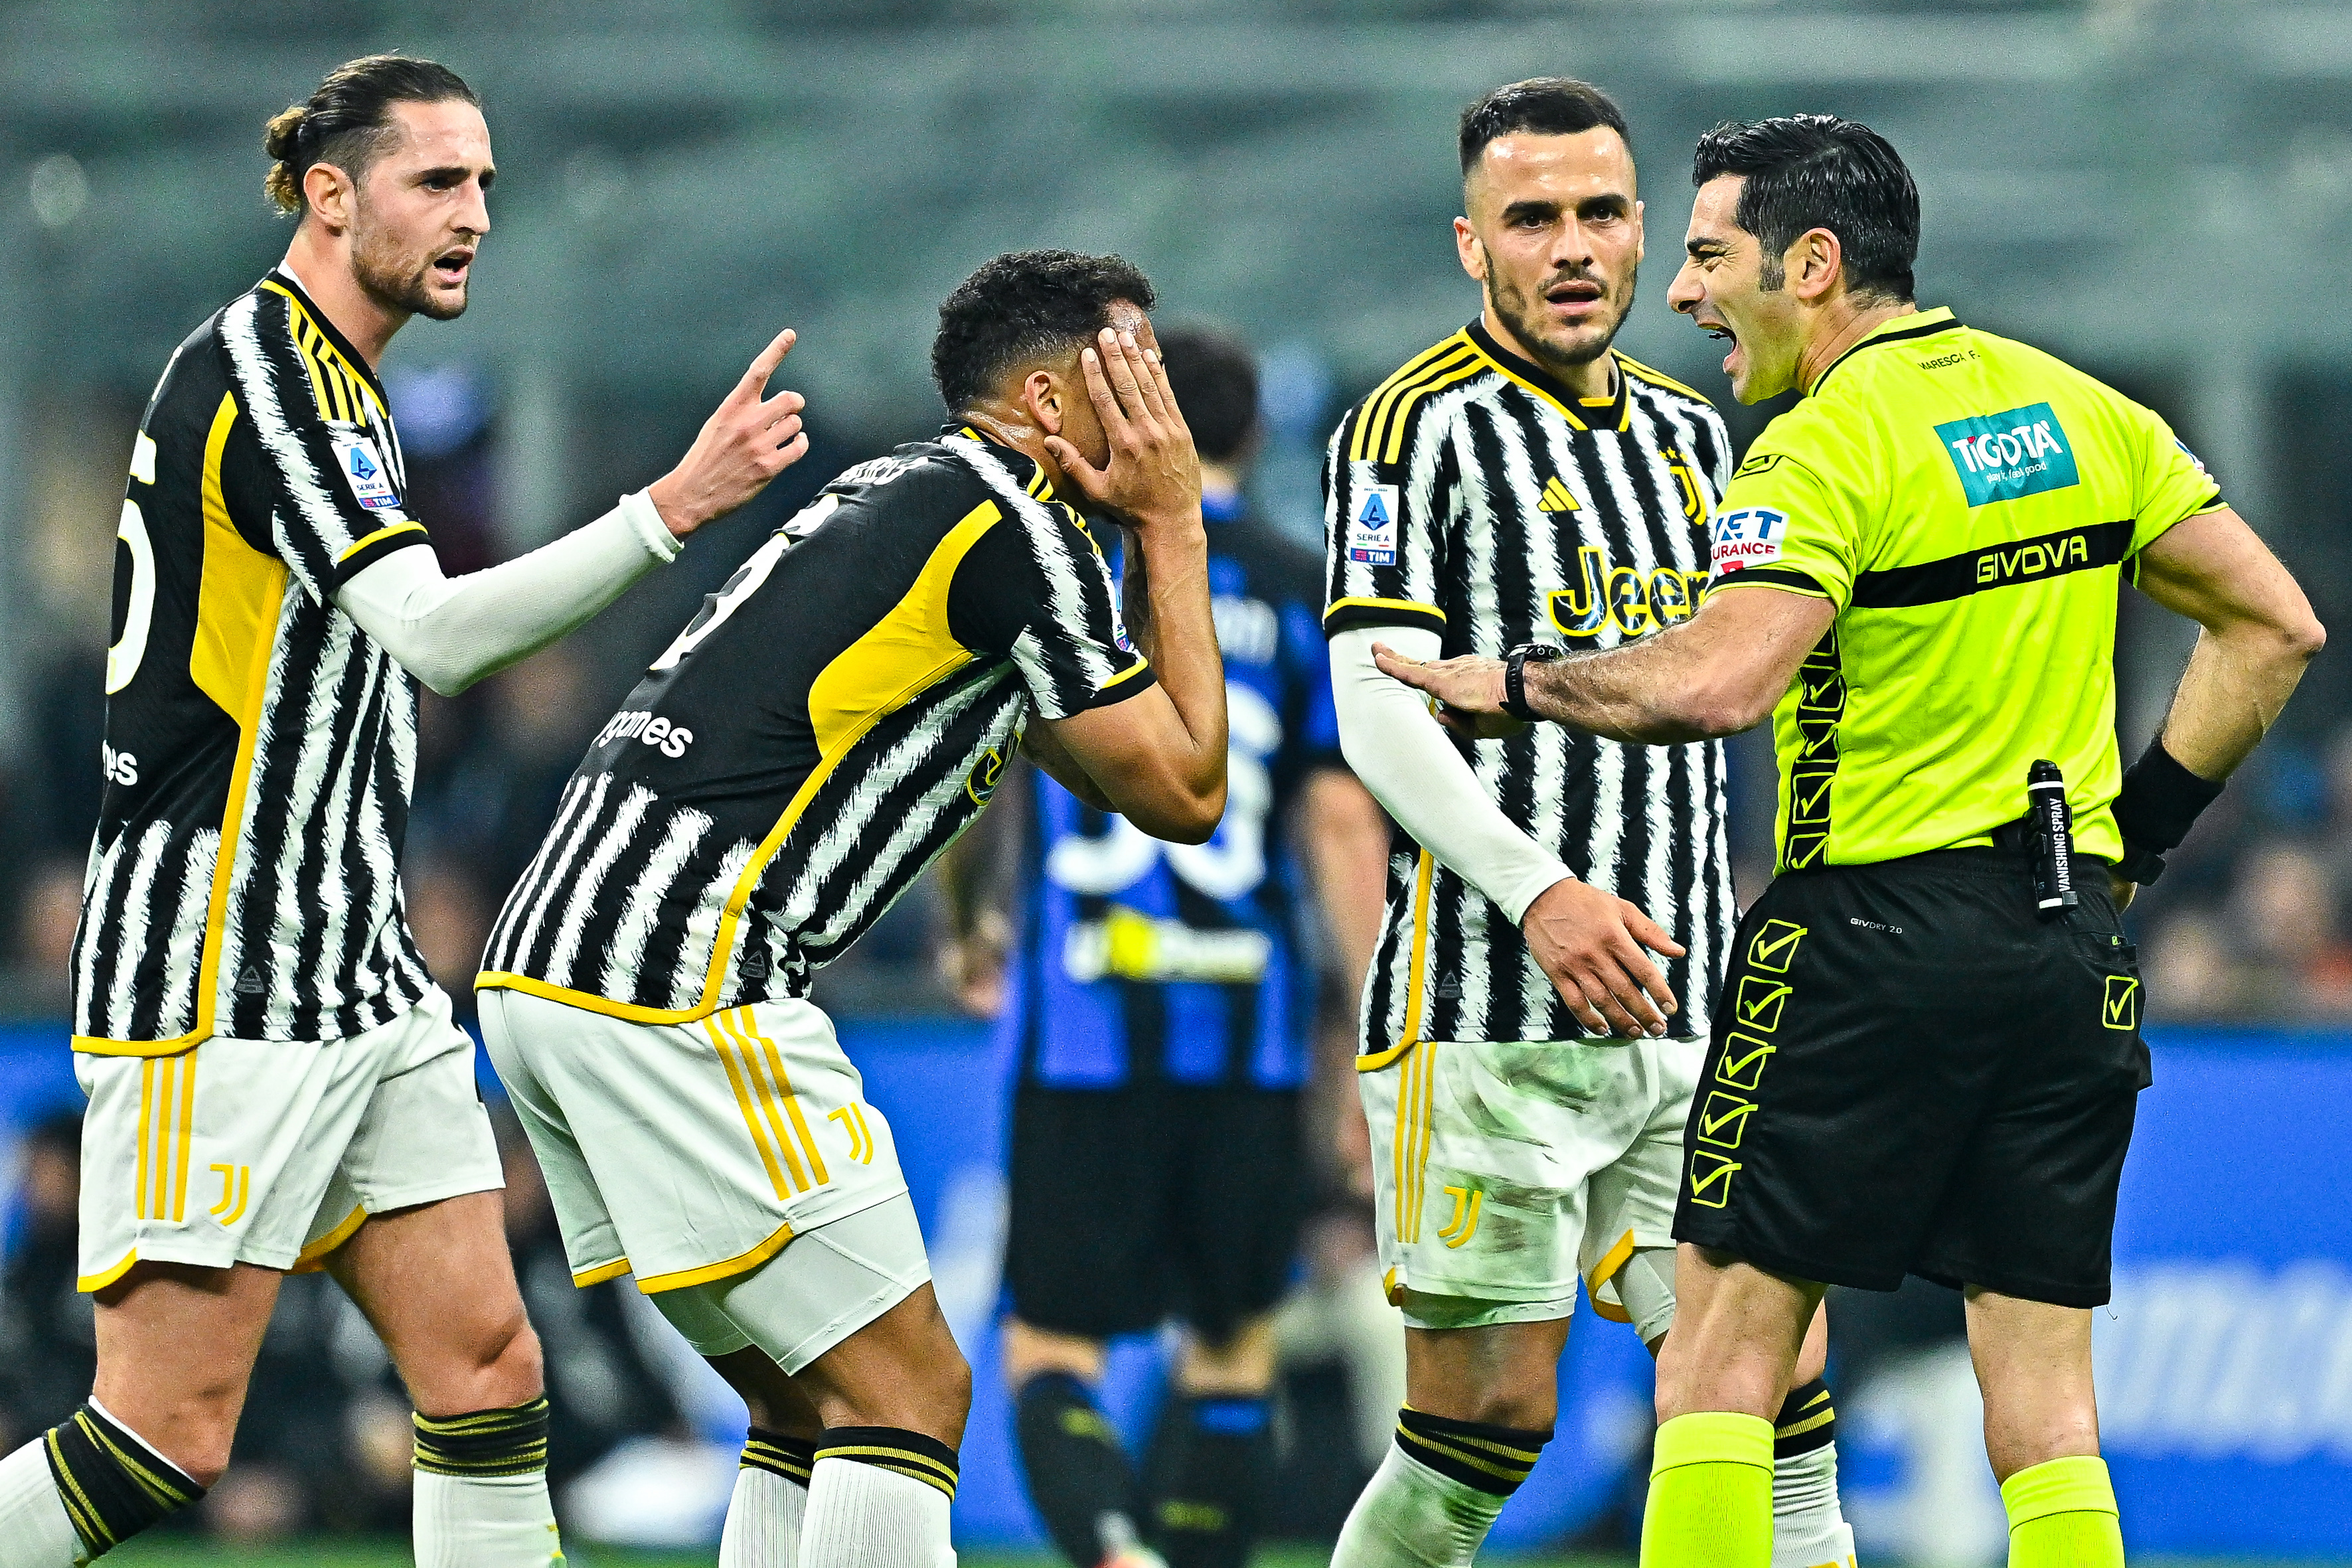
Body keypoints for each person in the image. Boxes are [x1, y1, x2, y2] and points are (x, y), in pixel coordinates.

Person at [1374, 114, 2327, 1568]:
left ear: (1809, 265)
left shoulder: (1819, 447)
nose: (1681, 292)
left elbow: (1715, 681)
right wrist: (2134, 840)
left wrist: (1510, 682)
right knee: (2047, 1412)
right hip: (2063, 946)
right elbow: (2272, 625)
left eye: (1706, 255)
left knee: (1714, 1367)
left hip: (1862, 942)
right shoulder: (2079, 408)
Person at [0, 54, 812, 1568]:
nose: (476, 213)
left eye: (486, 183)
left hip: (359, 971)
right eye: (440, 179)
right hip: (217, 962)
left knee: (489, 1372)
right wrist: (666, 509)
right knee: (162, 1431)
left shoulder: (342, 388)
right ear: (330, 193)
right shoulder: (264, 367)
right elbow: (434, 635)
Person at [473, 250, 1229, 1568]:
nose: (1161, 414)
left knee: (803, 1399)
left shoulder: (900, 489)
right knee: (909, 1393)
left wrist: (967, 909)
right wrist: (1171, 524)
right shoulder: (1018, 528)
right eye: (1138, 374)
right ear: (1049, 401)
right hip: (681, 965)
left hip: (551, 955)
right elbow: (1182, 785)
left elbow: (965, 736)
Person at [1321, 80, 1855, 1568]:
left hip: (1684, 1005)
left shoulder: (1701, 432)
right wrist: (1542, 892)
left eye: (1600, 213)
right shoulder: (1403, 433)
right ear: (1469, 245)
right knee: (1483, 1428)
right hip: (1484, 1012)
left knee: (1770, 1380)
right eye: (1530, 218)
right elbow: (1374, 709)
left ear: (1642, 235)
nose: (1571, 247)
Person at [936, 325, 1387, 1568]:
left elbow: (977, 771)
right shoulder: (1304, 594)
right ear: (1249, 437)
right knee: (1235, 1335)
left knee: (1051, 1343)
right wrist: (1369, 1031)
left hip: (1083, 1020)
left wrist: (973, 922)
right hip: (1248, 1029)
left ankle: (1116, 1552)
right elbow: (1341, 821)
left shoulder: (1063, 575)